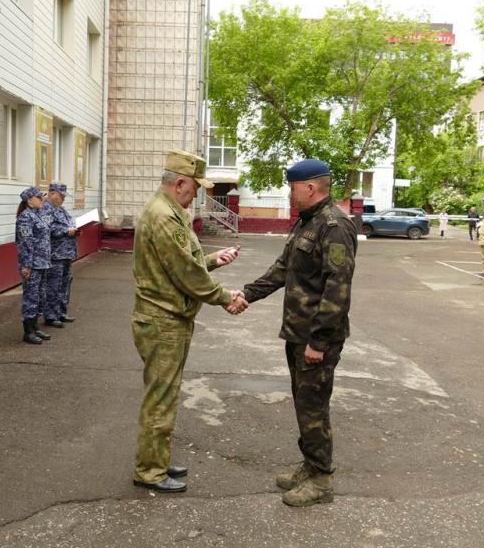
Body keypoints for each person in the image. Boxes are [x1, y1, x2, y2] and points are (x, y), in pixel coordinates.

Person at [242, 158, 357, 508]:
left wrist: (319, 342)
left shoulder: (335, 226)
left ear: (309, 187)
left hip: (316, 339)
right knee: (304, 404)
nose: (289, 193)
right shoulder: (307, 222)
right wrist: (248, 294)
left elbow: (337, 289)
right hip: (298, 333)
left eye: (292, 187)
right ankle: (310, 465)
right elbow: (283, 268)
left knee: (313, 407)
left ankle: (322, 480)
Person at [131, 149, 246, 494]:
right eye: (194, 187)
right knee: (161, 399)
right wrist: (226, 298)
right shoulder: (163, 216)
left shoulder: (169, 211)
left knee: (165, 395)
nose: (196, 193)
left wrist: (212, 260)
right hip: (162, 320)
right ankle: (150, 471)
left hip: (170, 317)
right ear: (179, 182)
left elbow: (183, 263)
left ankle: (157, 460)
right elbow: (183, 272)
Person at [15, 186, 51, 344]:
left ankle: (35, 327)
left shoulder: (39, 215)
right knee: (31, 298)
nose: (42, 199)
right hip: (32, 265)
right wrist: (27, 266)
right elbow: (25, 243)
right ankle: (28, 332)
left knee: (40, 297)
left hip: (42, 263)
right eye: (39, 197)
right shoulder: (25, 218)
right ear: (29, 200)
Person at [42, 183, 78, 327]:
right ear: (52, 194)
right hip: (55, 255)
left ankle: (61, 312)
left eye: (64, 196)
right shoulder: (46, 209)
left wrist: (74, 229)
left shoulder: (61, 209)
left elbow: (66, 224)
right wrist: (65, 231)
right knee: (53, 285)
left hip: (66, 253)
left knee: (65, 283)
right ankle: (51, 316)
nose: (63, 198)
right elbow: (47, 229)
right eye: (61, 195)